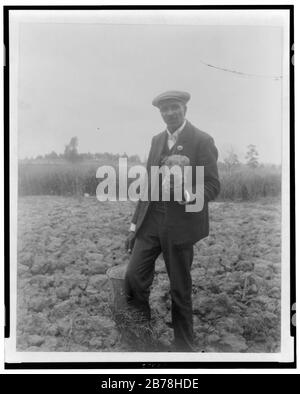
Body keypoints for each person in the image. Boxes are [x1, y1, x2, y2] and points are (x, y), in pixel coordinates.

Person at [124, 90, 220, 351]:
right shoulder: (157, 140)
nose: (169, 113)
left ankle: (184, 349)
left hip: (181, 224)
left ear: (184, 109)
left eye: (174, 107)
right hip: (152, 219)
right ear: (160, 113)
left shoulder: (201, 140)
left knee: (180, 288)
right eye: (164, 109)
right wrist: (134, 225)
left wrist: (189, 194)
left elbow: (213, 185)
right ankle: (143, 338)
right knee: (133, 276)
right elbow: (148, 185)